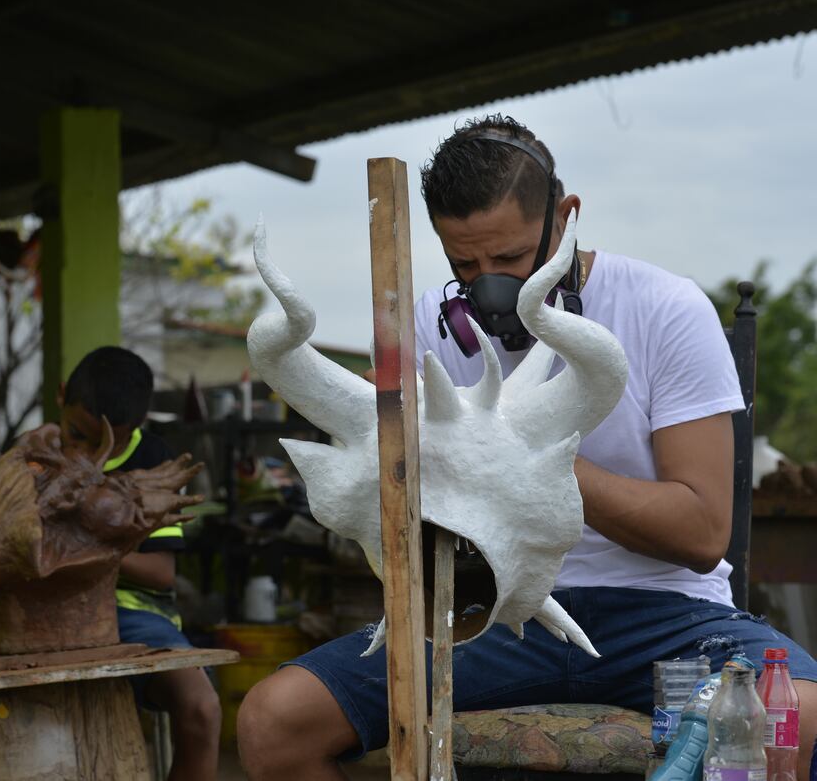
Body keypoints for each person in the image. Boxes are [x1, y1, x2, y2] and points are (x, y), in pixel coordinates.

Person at [236, 114, 817, 780]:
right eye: (465, 264)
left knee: (794, 718)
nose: (488, 286)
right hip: (494, 614)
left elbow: (703, 531)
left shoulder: (663, 308)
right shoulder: (428, 321)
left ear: (564, 218)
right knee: (273, 722)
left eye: (511, 260)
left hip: (670, 619)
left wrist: (526, 464)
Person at [58, 346, 221, 781]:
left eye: (104, 443)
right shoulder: (35, 456)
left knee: (202, 707)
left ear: (139, 424)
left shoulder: (154, 460)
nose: (91, 455)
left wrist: (83, 546)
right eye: (79, 434)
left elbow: (161, 573)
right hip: (52, 618)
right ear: (60, 397)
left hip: (135, 617)